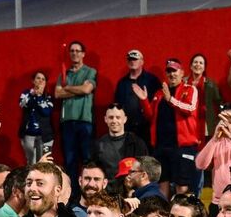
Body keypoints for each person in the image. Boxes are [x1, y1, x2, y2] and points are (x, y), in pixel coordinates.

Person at [136, 59, 200, 196]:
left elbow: (190, 108)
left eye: (175, 71)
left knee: (182, 188)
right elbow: (150, 116)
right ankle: (163, 216)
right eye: (169, 71)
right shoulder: (159, 93)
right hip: (161, 146)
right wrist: (143, 100)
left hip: (182, 147)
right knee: (161, 185)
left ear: (182, 73)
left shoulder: (190, 89)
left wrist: (170, 99)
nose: (172, 74)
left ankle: (182, 214)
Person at [56, 41, 98, 189]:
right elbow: (57, 93)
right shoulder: (64, 74)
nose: (74, 53)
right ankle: (72, 193)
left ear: (83, 54)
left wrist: (67, 88)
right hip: (67, 122)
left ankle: (90, 190)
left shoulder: (90, 71)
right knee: (70, 161)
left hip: (85, 120)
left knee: (87, 159)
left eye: (77, 51)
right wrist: (75, 89)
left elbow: (87, 89)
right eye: (72, 51)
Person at [114, 49, 161, 148]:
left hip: (146, 129)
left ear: (142, 62)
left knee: (146, 160)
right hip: (127, 129)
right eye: (130, 59)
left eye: (135, 59)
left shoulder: (152, 80)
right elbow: (117, 106)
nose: (132, 61)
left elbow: (159, 105)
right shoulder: (122, 83)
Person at [92, 104, 149, 181]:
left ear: (125, 119)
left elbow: (146, 170)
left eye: (118, 117)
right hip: (107, 190)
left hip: (132, 189)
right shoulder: (98, 145)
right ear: (105, 119)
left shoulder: (137, 143)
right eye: (111, 117)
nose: (114, 121)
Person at [18, 72, 55, 165]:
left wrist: (39, 96)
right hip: (28, 134)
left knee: (45, 163)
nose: (40, 81)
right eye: (38, 78)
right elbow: (23, 104)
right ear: (33, 81)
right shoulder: (26, 93)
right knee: (31, 162)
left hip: (45, 136)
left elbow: (46, 111)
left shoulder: (48, 97)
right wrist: (33, 94)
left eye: (43, 79)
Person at [188, 53, 222, 142]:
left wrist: (216, 122)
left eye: (201, 63)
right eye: (195, 62)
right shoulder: (184, 83)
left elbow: (219, 104)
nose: (198, 65)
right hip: (188, 124)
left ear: (204, 67)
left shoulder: (211, 85)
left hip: (206, 125)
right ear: (191, 66)